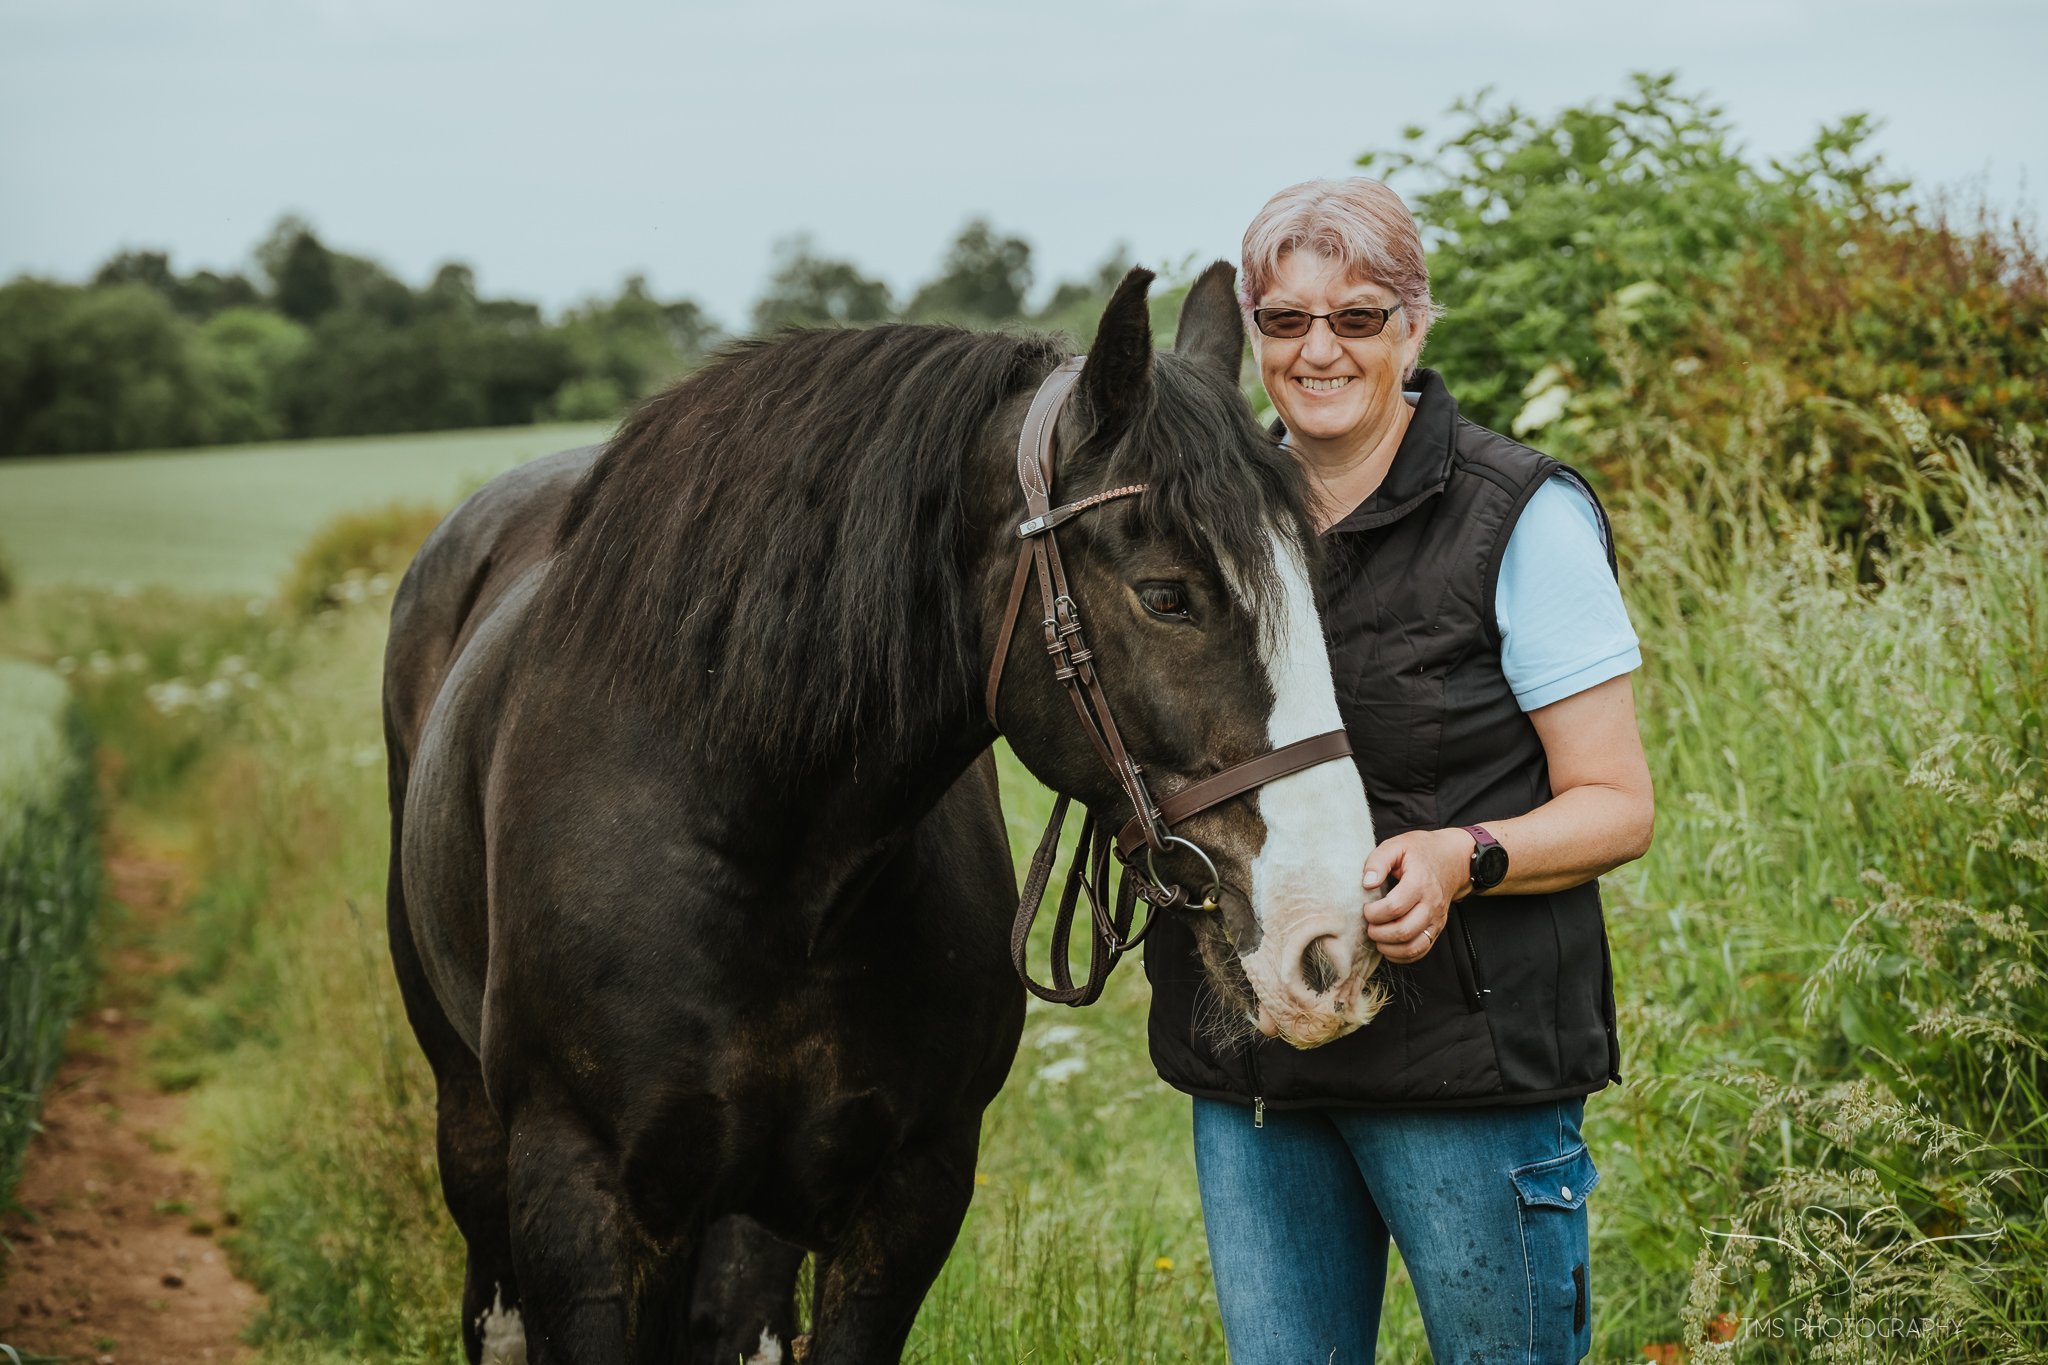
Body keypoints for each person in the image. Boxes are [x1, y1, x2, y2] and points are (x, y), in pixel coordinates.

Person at [1141, 177, 1656, 1363]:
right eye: (1284, 320)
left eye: (1356, 317)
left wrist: (1461, 858)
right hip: (1259, 1064)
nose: (1316, 350)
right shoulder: (1200, 524)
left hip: (1463, 1075)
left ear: (1412, 329)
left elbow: (1615, 804)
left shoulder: (1517, 516)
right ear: (1253, 336)